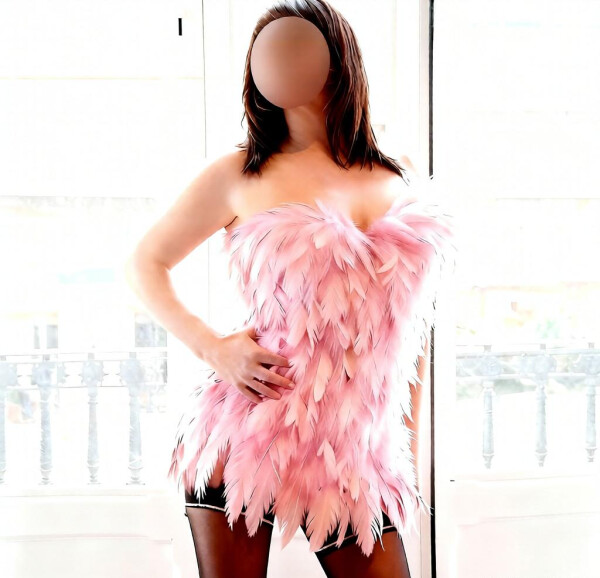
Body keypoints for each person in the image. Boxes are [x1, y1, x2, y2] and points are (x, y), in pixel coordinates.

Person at [126, 1, 456, 577]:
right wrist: (215, 348)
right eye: (269, 52)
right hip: (250, 430)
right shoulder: (239, 173)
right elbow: (144, 263)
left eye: (298, 46)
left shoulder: (396, 172)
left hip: (353, 453)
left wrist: (403, 451)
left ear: (337, 57)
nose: (282, 62)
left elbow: (412, 332)